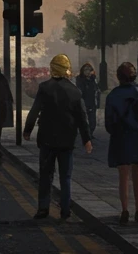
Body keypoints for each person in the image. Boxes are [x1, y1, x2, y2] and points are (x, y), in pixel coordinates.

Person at [22, 54, 93, 220]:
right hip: (67, 140)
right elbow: (82, 118)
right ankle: (65, 210)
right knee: (65, 177)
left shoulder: (45, 88)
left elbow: (35, 110)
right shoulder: (75, 91)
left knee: (45, 175)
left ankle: (43, 208)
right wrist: (86, 139)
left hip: (46, 139)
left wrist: (27, 130)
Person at [104, 62, 138, 225]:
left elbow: (108, 123)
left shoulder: (113, 95)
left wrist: (116, 131)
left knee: (123, 175)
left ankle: (125, 209)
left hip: (121, 138)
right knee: (137, 174)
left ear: (118, 77)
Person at [76, 63, 100, 139]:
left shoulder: (93, 79)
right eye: (86, 70)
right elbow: (80, 91)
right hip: (84, 102)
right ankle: (86, 135)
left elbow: (96, 90)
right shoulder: (80, 79)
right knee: (84, 120)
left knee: (93, 122)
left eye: (89, 70)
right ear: (82, 71)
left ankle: (90, 134)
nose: (88, 71)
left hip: (92, 102)